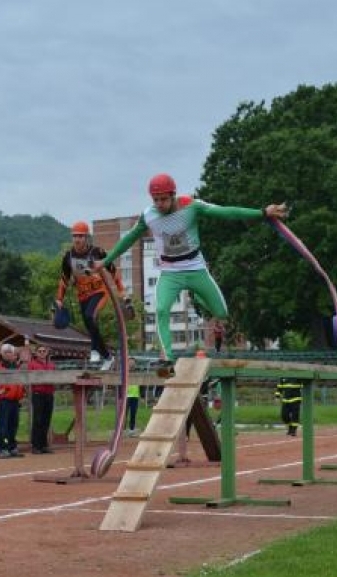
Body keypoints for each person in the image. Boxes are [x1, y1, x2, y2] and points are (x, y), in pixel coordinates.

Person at [93, 173, 288, 372]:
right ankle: (166, 358)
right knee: (161, 309)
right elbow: (129, 238)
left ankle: (198, 297)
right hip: (169, 272)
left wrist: (262, 212)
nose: (159, 204)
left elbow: (226, 213)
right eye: (156, 200)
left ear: (173, 195)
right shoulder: (148, 215)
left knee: (222, 312)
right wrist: (106, 261)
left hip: (195, 268)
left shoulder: (190, 205)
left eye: (164, 199)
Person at [56, 220, 127, 370]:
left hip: (99, 292)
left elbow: (113, 270)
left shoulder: (97, 252)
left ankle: (104, 354)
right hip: (82, 295)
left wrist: (121, 291)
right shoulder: (68, 257)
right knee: (89, 324)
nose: (78, 239)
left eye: (81, 236)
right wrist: (59, 299)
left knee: (90, 317)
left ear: (86, 237)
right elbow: (64, 279)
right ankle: (101, 352)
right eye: (75, 236)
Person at [0, 344, 26, 459]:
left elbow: (20, 383)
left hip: (15, 400)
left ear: (14, 354)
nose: (9, 354)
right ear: (2, 354)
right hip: (4, 400)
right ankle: (1, 449)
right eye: (6, 352)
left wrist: (22, 393)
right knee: (2, 426)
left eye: (10, 352)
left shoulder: (16, 367)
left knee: (13, 425)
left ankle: (12, 448)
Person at [27, 344, 56, 454]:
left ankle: (44, 445)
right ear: (36, 353)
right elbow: (30, 379)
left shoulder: (52, 365)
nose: (42, 352)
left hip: (49, 394)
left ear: (47, 352)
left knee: (46, 420)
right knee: (38, 420)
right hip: (38, 394)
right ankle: (36, 445)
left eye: (44, 351)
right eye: (40, 351)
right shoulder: (32, 364)